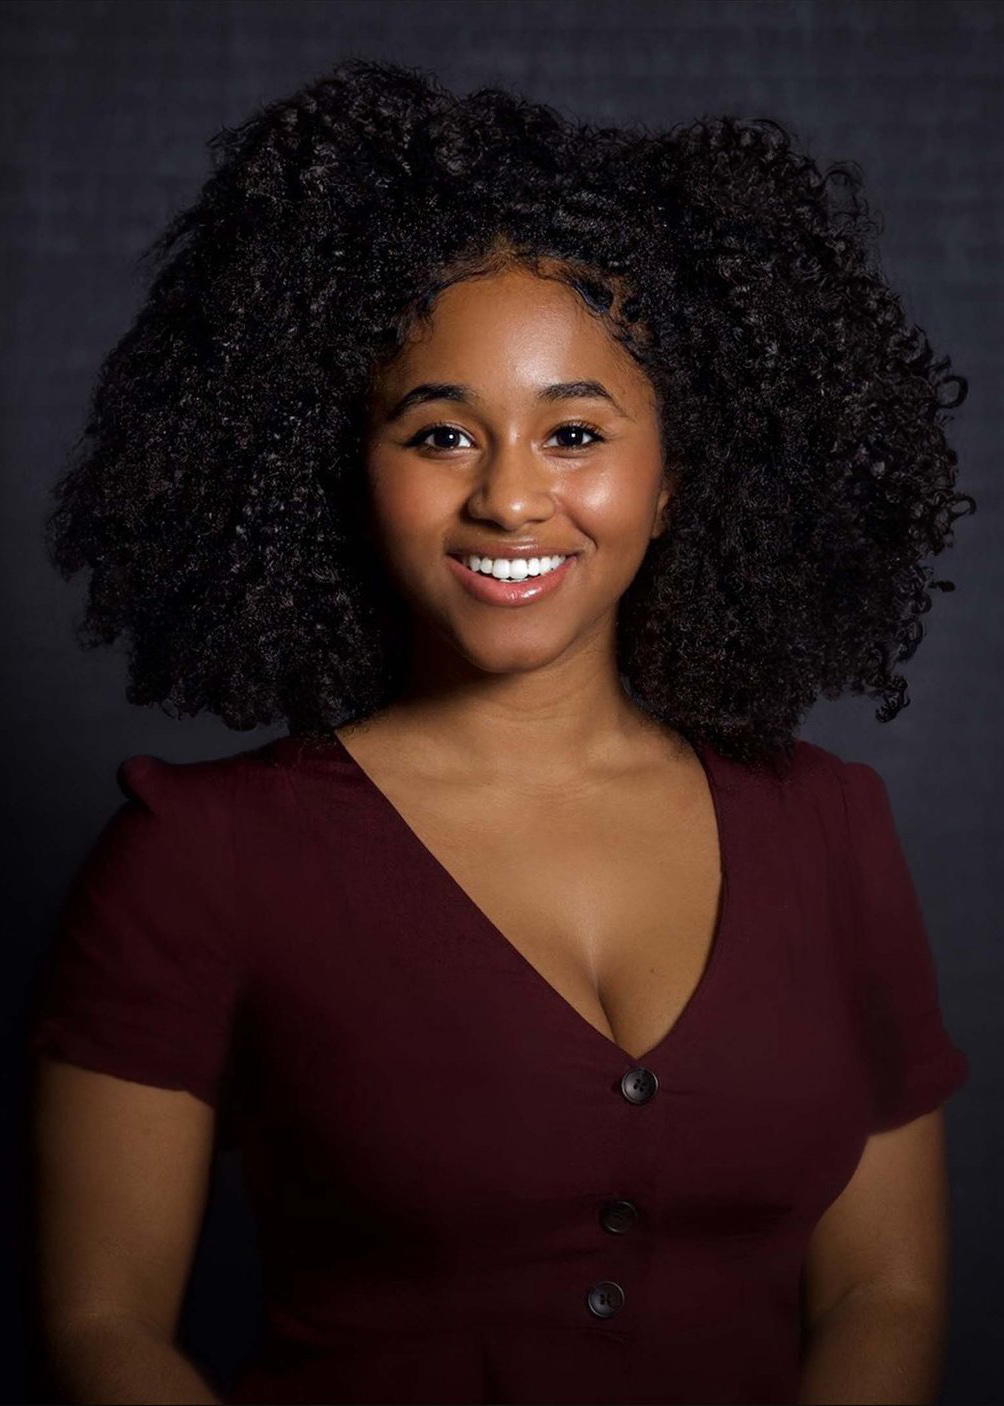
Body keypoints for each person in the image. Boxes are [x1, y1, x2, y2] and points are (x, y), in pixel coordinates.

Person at [27, 57, 973, 1406]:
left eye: (576, 430)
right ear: (346, 477)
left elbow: (890, 1288)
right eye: (439, 436)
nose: (512, 500)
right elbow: (102, 1330)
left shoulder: (830, 829)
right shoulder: (198, 857)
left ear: (673, 479)